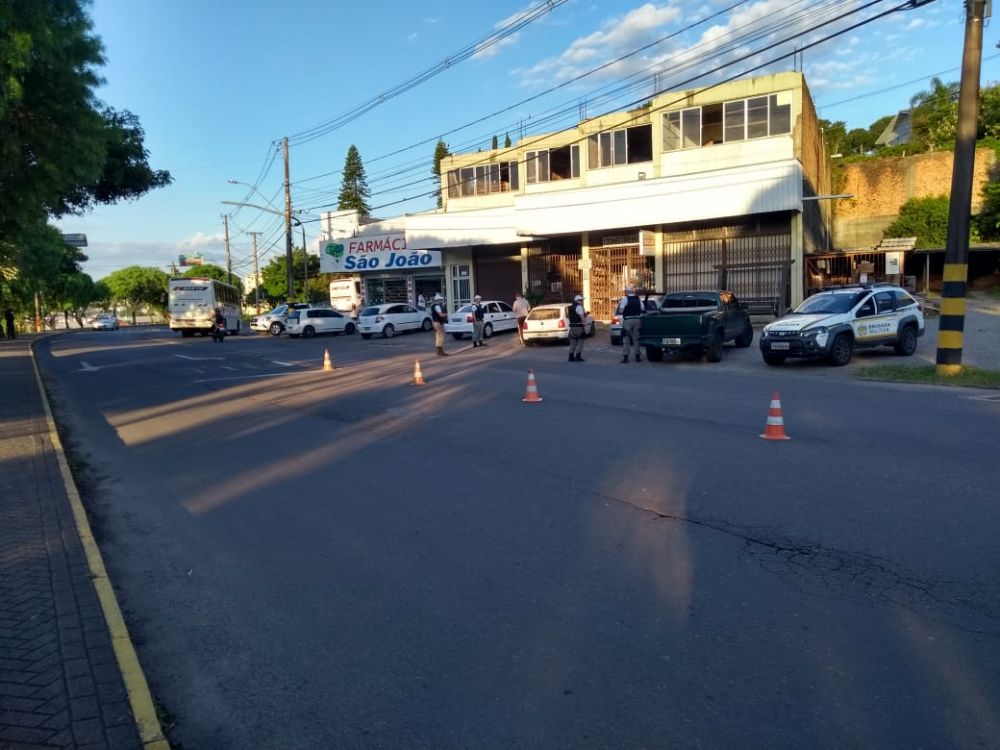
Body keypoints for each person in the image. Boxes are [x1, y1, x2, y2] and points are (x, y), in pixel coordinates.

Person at [616, 285, 645, 363]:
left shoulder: (625, 299)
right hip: (637, 320)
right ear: (633, 291)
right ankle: (638, 357)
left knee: (626, 339)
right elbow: (642, 308)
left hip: (628, 321)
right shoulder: (638, 299)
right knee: (636, 339)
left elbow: (621, 311)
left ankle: (626, 357)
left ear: (627, 292)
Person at [567, 294, 586, 362]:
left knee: (573, 342)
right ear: (577, 300)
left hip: (572, 328)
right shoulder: (579, 307)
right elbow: (582, 316)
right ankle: (578, 356)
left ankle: (571, 356)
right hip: (579, 327)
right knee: (580, 341)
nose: (581, 301)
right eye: (580, 300)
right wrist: (585, 323)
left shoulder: (571, 307)